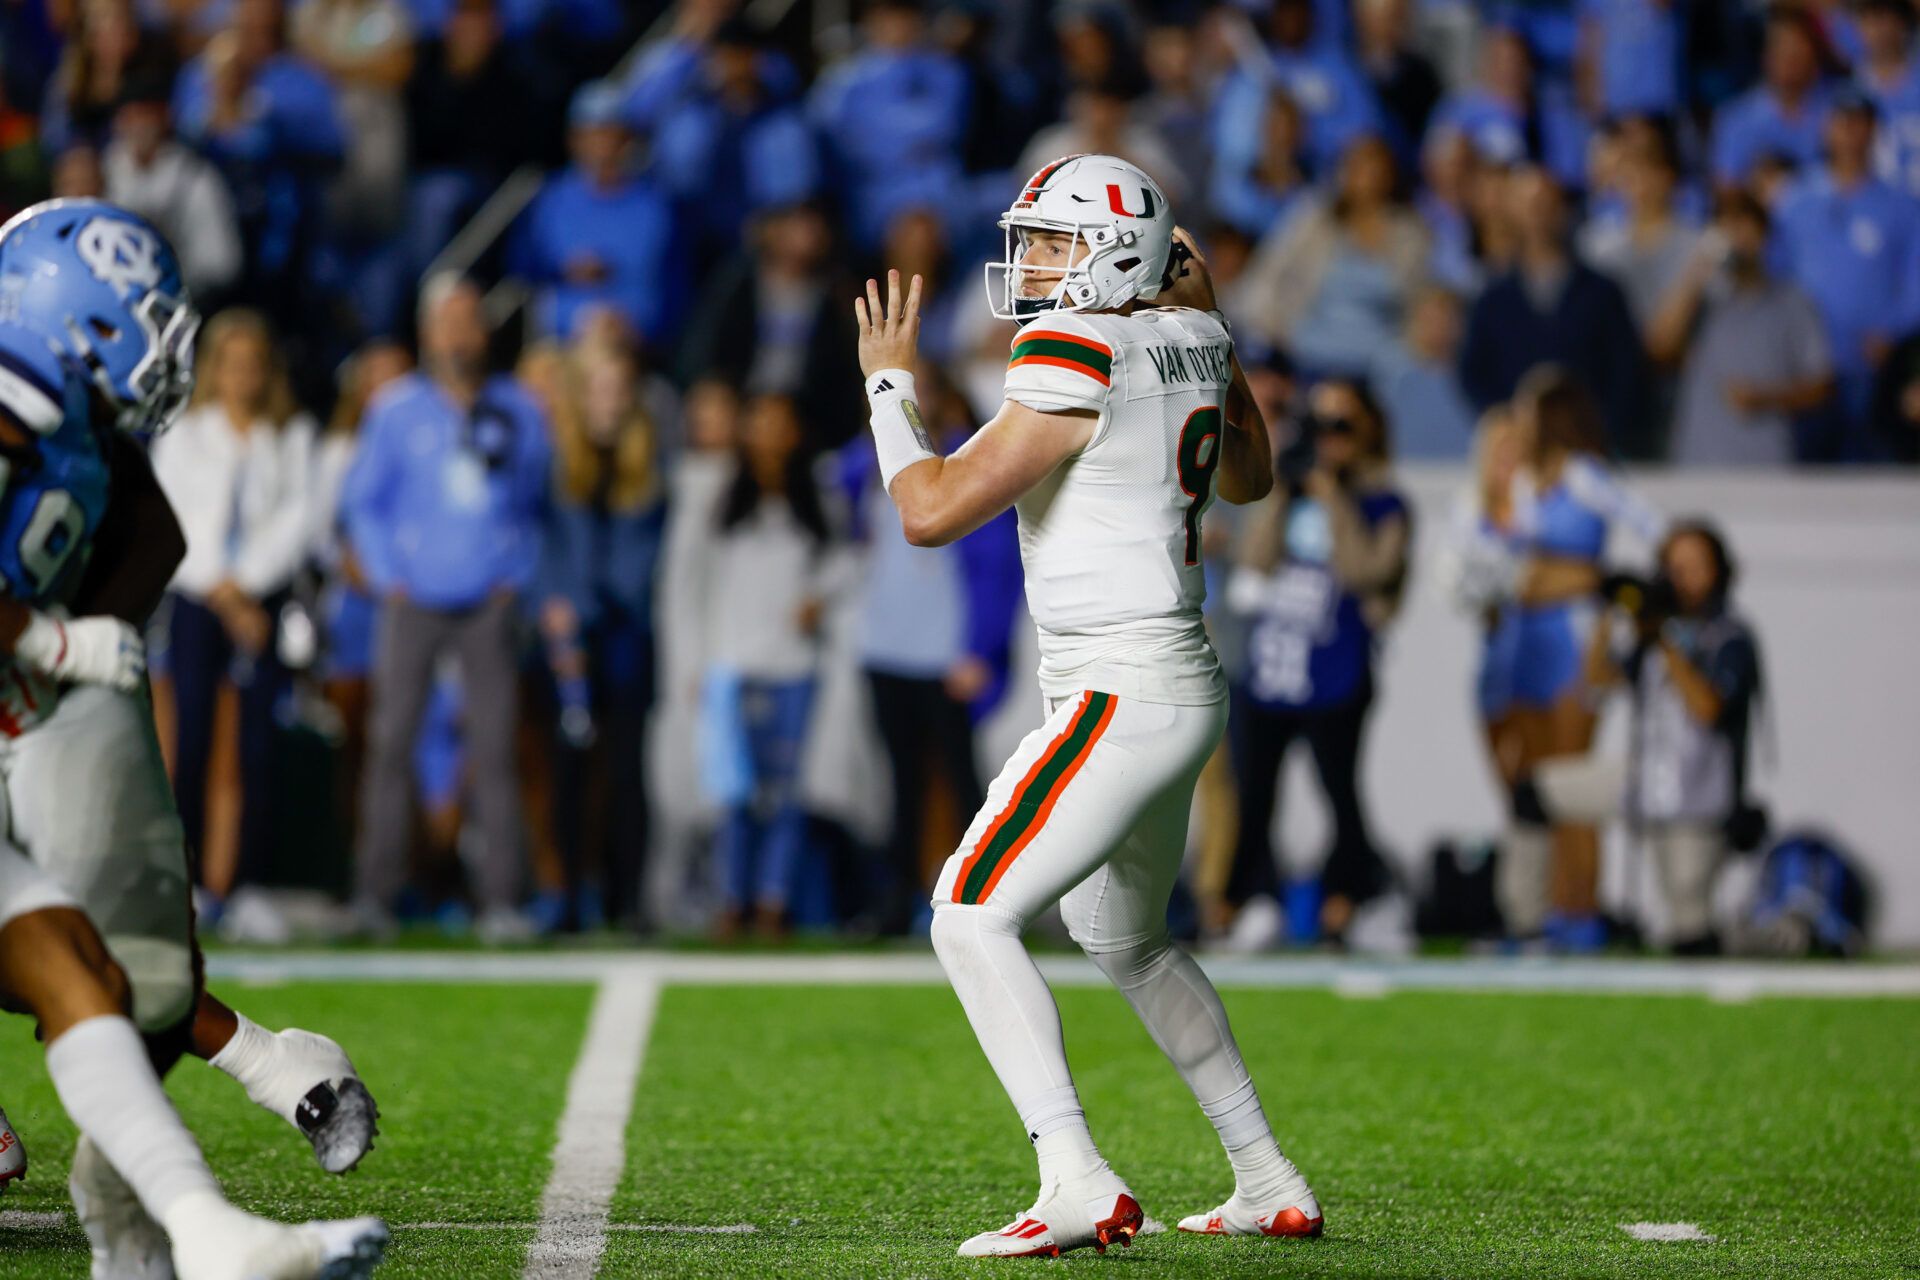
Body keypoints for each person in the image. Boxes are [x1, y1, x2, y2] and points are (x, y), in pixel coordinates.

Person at [854, 154, 1321, 1254]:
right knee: (1123, 932)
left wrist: (886, 386)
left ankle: (1074, 1173)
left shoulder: (1079, 343)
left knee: (968, 911)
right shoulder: (1195, 333)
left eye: (1056, 242)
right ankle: (1268, 1173)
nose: (1032, 265)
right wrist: (1210, 323)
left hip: (1119, 687)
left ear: (1118, 250)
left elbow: (927, 511)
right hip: (1178, 686)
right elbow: (1250, 478)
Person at [0, 199, 385, 1279]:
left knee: (125, 971)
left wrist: (58, 657)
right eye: (141, 320)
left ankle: (173, 1214)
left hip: (37, 716)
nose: (167, 348)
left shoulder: (109, 477)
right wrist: (50, 638)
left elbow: (137, 563)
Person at [341, 273, 551, 940]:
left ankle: (501, 902)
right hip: (414, 598)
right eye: (448, 322)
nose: (460, 335)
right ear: (428, 334)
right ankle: (376, 896)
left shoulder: (519, 407)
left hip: (487, 600)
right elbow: (360, 503)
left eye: (470, 320)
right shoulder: (396, 409)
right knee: (392, 743)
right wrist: (387, 575)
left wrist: (515, 572)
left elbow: (538, 502)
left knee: (493, 748)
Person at [1223, 378, 1411, 944]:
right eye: (1319, 426)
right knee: (1255, 793)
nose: (1328, 441)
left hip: (1338, 668)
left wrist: (1334, 499)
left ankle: (1352, 896)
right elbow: (1252, 563)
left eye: (1342, 427)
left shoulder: (1385, 502)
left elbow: (1365, 572)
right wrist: (1283, 491)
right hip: (1274, 666)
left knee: (1340, 792)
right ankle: (1254, 898)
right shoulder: (1289, 490)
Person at [1521, 522, 1763, 953]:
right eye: (1673, 567)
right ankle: (1526, 923)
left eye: (1694, 567)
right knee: (1534, 793)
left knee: (1691, 932)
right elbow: (1596, 682)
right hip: (1643, 776)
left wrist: (1667, 642)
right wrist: (1610, 617)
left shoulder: (1729, 637)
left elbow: (1708, 710)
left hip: (1697, 793)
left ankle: (1759, 938)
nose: (1682, 578)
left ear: (1720, 572)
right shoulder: (1648, 634)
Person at [844, 361, 1023, 937]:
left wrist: (981, 649)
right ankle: (896, 899)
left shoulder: (967, 466)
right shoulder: (876, 467)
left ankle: (985, 899)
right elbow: (841, 485)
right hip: (887, 646)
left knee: (964, 782)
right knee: (901, 784)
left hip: (947, 655)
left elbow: (999, 565)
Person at [150, 309, 316, 908]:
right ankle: (187, 884)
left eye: (254, 365)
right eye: (232, 365)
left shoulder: (291, 435)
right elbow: (176, 519)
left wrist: (246, 588)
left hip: (261, 601)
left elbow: (297, 522)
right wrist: (223, 590)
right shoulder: (186, 433)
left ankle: (247, 884)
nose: (242, 377)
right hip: (198, 598)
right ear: (214, 371)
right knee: (188, 740)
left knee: (257, 744)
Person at [1497, 368, 1665, 951]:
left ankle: (1583, 908)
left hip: (1574, 639)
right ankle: (1544, 908)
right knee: (1536, 782)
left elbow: (1655, 532)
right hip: (1528, 640)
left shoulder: (1586, 476)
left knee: (1571, 779)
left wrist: (1606, 595)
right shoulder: (1521, 481)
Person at [688, 392, 847, 939]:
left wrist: (817, 598)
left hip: (794, 666)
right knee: (734, 793)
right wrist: (700, 661)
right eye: (759, 424)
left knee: (786, 792)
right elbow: (698, 585)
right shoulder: (722, 498)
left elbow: (847, 561)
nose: (768, 435)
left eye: (779, 424)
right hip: (734, 666)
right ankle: (731, 901)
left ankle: (774, 902)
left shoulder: (818, 497)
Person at [537, 336, 666, 932]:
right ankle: (566, 897)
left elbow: (640, 567)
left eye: (618, 388)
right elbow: (543, 547)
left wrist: (585, 603)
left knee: (625, 772)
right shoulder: (556, 463)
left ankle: (629, 899)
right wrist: (556, 608)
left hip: (624, 639)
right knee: (565, 775)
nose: (609, 400)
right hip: (568, 642)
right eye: (598, 387)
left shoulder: (649, 469)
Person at [1771, 89, 1920, 461]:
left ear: (1874, 131)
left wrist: (1894, 332)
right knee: (1805, 468)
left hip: (1872, 364)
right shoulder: (1796, 199)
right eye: (1842, 122)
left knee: (1873, 464)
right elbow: (1778, 270)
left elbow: (1916, 279)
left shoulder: (1901, 205)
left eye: (1860, 123)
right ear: (1826, 129)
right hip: (1807, 366)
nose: (1850, 133)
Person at [1460, 167, 1650, 455]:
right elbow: (1475, 374)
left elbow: (1626, 372)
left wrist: (1600, 431)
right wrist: (1511, 429)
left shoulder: (1602, 293)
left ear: (1562, 209)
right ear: (1511, 212)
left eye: (1546, 204)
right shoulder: (1492, 299)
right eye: (1528, 205)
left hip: (1590, 451)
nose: (1537, 215)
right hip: (1519, 452)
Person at [1650, 189, 1833, 466]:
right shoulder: (1700, 298)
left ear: (1764, 235)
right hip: (1698, 462)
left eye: (1745, 224)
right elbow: (1660, 347)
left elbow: (1822, 387)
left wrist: (1766, 399)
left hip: (1768, 463)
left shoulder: (1793, 303)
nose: (1737, 236)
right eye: (1726, 224)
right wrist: (1698, 268)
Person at [1234, 133, 1430, 380]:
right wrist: (1272, 327)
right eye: (1359, 165)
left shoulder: (1411, 232)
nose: (1369, 175)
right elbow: (1269, 272)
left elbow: (1419, 301)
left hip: (1382, 360)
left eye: (1376, 166)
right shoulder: (1315, 221)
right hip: (1310, 353)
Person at [516, 79, 681, 347]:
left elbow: (675, 286)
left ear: (626, 140)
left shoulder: (657, 205)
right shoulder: (550, 198)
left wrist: (652, 338)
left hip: (635, 347)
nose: (602, 145)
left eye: (610, 134)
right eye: (592, 134)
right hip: (561, 343)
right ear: (574, 140)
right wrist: (563, 270)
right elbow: (522, 264)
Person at [102, 70, 243, 299]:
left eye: (146, 116)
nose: (138, 126)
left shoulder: (196, 176)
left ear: (165, 118)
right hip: (110, 298)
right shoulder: (101, 171)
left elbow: (222, 264)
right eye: (130, 116)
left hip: (182, 300)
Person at [1710, 4, 1833, 188]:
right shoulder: (1735, 118)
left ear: (1815, 58)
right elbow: (1725, 188)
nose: (1790, 61)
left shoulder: (1838, 111)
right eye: (1781, 50)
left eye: (1797, 53)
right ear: (1766, 57)